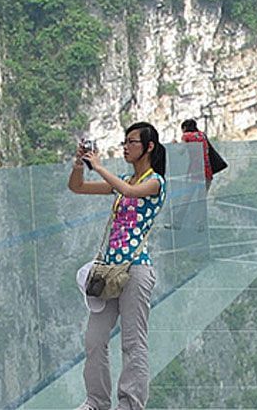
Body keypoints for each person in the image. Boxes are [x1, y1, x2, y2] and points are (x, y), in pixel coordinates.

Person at [68, 122, 167, 410]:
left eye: (132, 142)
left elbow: (130, 191)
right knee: (95, 339)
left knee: (132, 342)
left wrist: (99, 166)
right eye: (125, 142)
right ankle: (97, 402)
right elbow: (77, 187)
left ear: (148, 147)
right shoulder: (123, 179)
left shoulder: (155, 182)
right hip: (108, 270)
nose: (125, 147)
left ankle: (131, 404)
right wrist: (79, 164)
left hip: (135, 269)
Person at [180, 118, 213, 193]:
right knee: (202, 197)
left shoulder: (186, 136)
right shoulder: (202, 135)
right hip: (207, 170)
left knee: (187, 196)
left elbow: (181, 151)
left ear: (184, 128)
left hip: (195, 171)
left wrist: (174, 144)